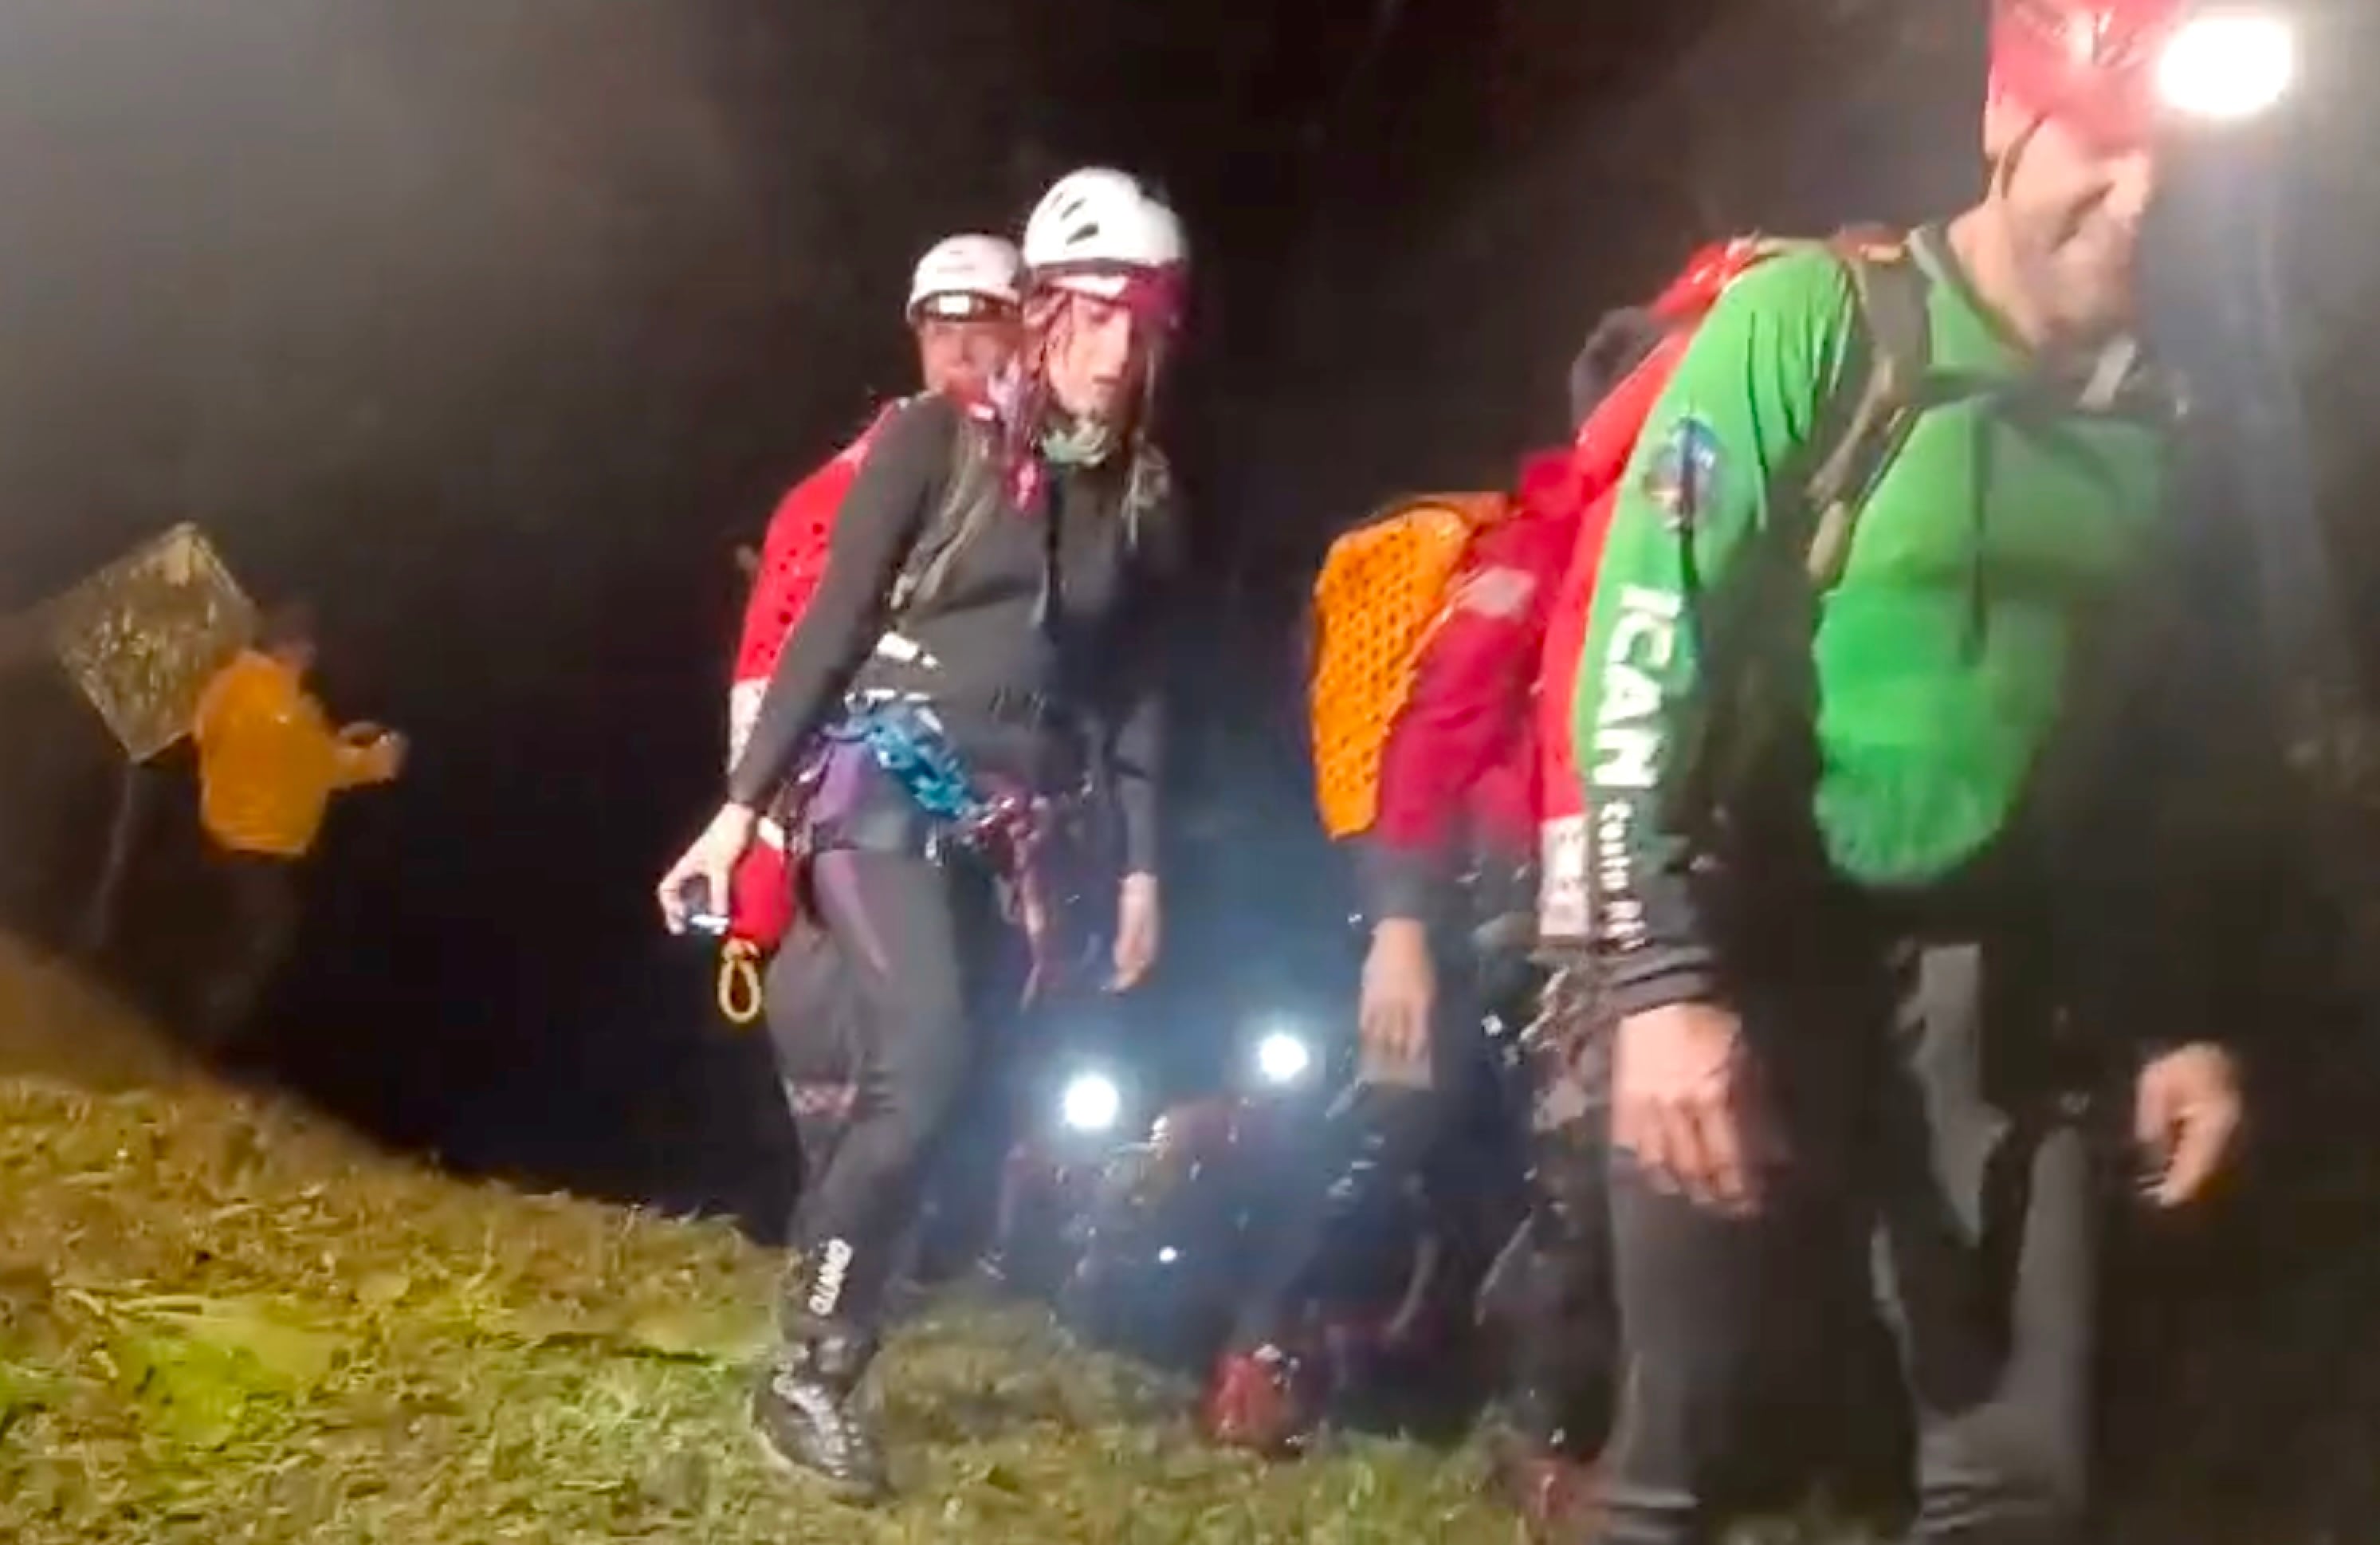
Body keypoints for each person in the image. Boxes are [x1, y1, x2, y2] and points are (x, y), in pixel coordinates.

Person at [1569, 2, 2271, 1539]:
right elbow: (1641, 649)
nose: (2142, 196)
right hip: (1748, 936)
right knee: (1694, 1450)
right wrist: (1661, 990)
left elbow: (2145, 753)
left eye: (2182, 166)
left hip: (1998, 979)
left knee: (2016, 1477)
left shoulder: (2164, 415)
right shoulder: (1817, 322)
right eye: (2106, 142)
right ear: (2006, 124)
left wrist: (2172, 1020)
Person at [657, 166, 1188, 1501]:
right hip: (878, 785)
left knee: (938, 1105)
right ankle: (810, 1369)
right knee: (930, 1068)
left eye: (1145, 324)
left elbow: (1132, 693)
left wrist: (1138, 868)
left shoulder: (1141, 494)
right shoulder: (933, 441)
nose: (1115, 352)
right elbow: (828, 628)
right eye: (1091, 316)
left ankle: (836, 1287)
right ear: (1044, 310)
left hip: (1013, 830)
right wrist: (739, 814)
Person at [1206, 452, 1582, 1470]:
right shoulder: (1547, 546)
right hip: (1482, 886)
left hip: (1573, 888)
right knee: (1401, 1114)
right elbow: (1431, 729)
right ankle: (1265, 1347)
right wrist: (1401, 927)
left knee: (1524, 1155)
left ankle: (1499, 1390)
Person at [729, 234, 1024, 765]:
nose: (957, 351)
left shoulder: (1055, 476)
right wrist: (760, 810)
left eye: (980, 330)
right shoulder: (840, 489)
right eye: (939, 331)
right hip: (889, 787)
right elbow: (773, 669)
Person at [188, 602, 405, 1048]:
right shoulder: (289, 708)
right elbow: (322, 765)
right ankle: (208, 1036)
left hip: (218, 831)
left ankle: (204, 1020)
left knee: (234, 934)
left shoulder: (231, 682)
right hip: (258, 844)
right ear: (295, 650)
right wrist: (380, 757)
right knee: (263, 945)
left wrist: (329, 742)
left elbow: (209, 734)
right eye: (308, 653)